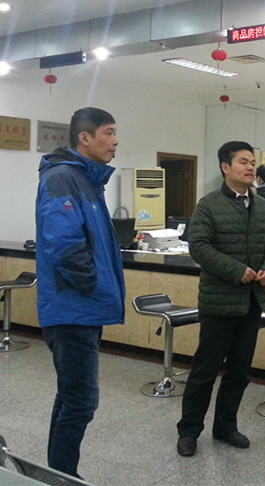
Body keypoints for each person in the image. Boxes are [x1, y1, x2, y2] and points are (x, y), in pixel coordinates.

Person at [35, 107, 125, 477]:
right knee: (81, 401)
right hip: (73, 307)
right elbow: (64, 244)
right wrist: (91, 285)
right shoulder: (62, 177)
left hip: (83, 307)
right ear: (84, 138)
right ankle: (63, 477)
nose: (115, 141)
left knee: (71, 396)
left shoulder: (87, 180)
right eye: (109, 132)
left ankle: (57, 474)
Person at [176, 141, 265, 457]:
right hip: (219, 302)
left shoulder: (262, 205)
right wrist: (237, 271)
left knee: (239, 372)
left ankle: (225, 426)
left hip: (252, 301)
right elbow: (199, 247)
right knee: (205, 371)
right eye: (243, 162)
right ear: (225, 167)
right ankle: (189, 431)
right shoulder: (208, 205)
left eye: (252, 162)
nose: (250, 167)